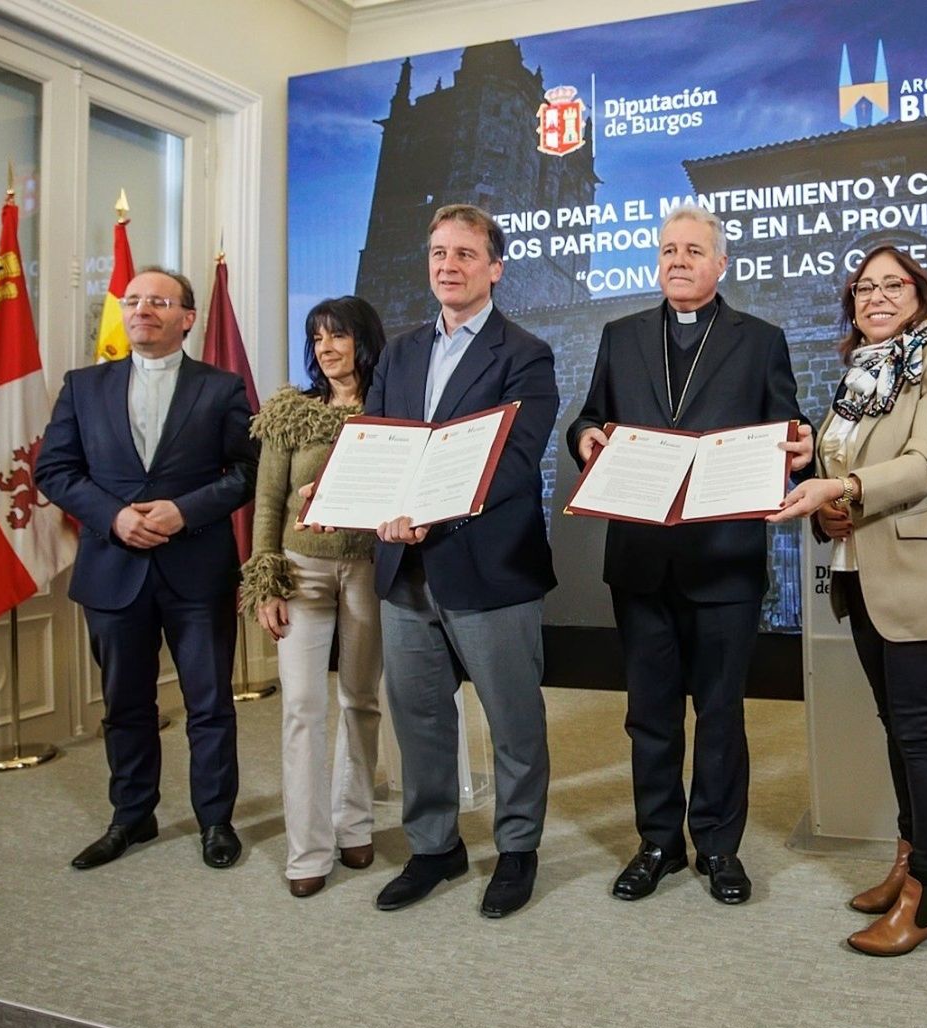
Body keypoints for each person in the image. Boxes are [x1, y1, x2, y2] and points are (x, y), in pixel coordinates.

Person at [566, 205, 810, 906]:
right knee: (649, 711)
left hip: (726, 558)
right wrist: (585, 439)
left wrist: (803, 443)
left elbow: (789, 428)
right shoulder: (621, 335)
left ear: (721, 262)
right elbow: (590, 415)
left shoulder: (761, 340)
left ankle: (719, 846)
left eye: (693, 250)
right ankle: (658, 842)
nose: (678, 260)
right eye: (668, 249)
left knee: (723, 710)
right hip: (642, 558)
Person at [770, 246, 927, 954]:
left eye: (893, 284)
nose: (876, 296)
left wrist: (844, 492)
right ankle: (906, 862)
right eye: (864, 287)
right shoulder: (862, 374)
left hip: (920, 571)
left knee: (921, 730)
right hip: (860, 568)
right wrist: (827, 502)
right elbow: (843, 471)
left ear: (922, 295)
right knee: (895, 724)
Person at [368, 204, 557, 920]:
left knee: (513, 720)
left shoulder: (524, 353)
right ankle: (434, 846)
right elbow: (379, 441)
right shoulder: (401, 351)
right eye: (438, 253)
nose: (448, 266)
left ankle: (516, 849)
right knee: (417, 717)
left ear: (495, 268)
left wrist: (430, 511)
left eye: (465, 255)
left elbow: (514, 461)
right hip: (402, 567)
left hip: (489, 565)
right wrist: (371, 501)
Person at [36, 267, 258, 871]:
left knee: (209, 705)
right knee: (125, 705)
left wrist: (182, 512)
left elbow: (245, 472)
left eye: (158, 301)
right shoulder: (83, 386)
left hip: (197, 572)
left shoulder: (223, 387)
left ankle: (216, 820)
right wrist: (114, 517)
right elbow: (53, 472)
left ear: (187, 317)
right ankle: (131, 818)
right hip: (113, 569)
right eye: (132, 300)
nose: (141, 310)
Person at [240, 296, 387, 898]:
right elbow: (268, 502)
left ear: (363, 340)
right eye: (318, 338)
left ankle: (354, 823)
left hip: (371, 569)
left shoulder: (392, 409)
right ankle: (307, 850)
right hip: (301, 569)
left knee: (360, 699)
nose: (327, 348)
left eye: (339, 336)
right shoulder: (290, 413)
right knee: (302, 705)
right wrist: (266, 580)